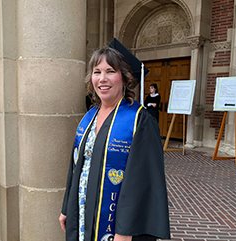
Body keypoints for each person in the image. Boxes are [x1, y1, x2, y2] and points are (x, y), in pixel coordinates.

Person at [59, 39, 170, 241]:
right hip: (83, 213)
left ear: (125, 78)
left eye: (110, 71)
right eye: (96, 72)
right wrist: (68, 207)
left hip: (119, 225)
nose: (102, 78)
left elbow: (143, 181)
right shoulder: (89, 116)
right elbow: (76, 167)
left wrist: (125, 231)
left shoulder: (139, 120)